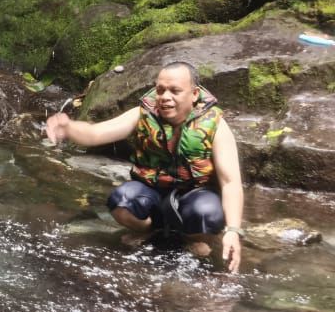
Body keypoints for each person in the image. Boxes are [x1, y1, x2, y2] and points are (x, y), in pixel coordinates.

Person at [44, 60, 243, 272]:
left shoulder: (215, 124)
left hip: (195, 194)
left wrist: (233, 230)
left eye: (175, 91)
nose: (165, 97)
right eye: (160, 90)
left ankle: (192, 238)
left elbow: (231, 182)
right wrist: (69, 127)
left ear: (194, 94)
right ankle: (148, 229)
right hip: (151, 190)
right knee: (121, 201)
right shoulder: (143, 114)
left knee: (206, 213)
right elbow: (96, 134)